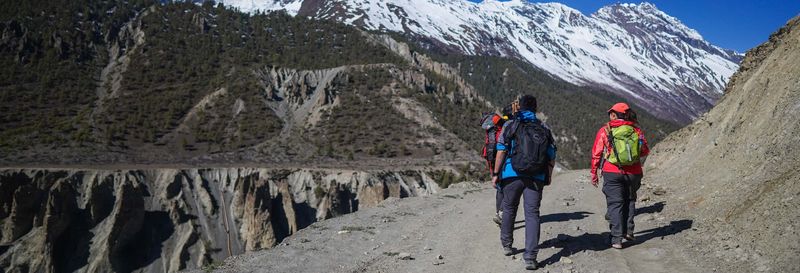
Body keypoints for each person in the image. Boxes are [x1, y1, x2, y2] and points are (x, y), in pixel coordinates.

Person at [491, 95, 556, 270]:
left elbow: (501, 150)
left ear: (520, 107)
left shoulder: (511, 124)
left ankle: (507, 244)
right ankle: (530, 257)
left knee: (509, 208)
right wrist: (548, 176)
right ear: (535, 109)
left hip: (512, 173)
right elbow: (551, 155)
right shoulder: (543, 127)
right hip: (536, 177)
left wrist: (496, 173)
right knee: (532, 214)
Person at [590, 102, 650, 249]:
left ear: (614, 115)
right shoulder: (636, 130)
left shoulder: (605, 130)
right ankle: (628, 231)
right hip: (634, 172)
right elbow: (644, 151)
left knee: (615, 204)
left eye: (610, 113)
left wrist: (594, 172)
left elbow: (597, 153)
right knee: (630, 200)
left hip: (612, 171)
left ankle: (616, 239)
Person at [483, 105, 515, 226]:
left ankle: (498, 213)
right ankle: (501, 214)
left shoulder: (497, 126)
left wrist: (494, 172)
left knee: (500, 190)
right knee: (509, 189)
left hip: (495, 161)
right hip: (506, 162)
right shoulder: (512, 125)